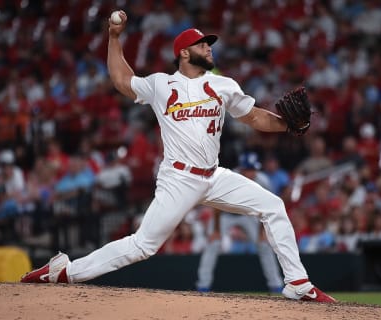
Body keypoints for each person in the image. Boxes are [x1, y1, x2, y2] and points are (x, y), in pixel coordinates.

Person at [21, 11, 336, 303]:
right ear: (184, 52)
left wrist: (286, 125)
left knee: (274, 206)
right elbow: (121, 81)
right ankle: (65, 271)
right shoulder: (161, 84)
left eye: (209, 44)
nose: (209, 48)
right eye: (202, 44)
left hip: (213, 176)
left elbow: (254, 117)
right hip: (179, 178)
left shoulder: (222, 85)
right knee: (143, 246)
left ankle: (297, 283)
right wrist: (115, 38)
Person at [196, 152, 284, 293]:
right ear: (241, 169)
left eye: (253, 169)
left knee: (264, 244)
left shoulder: (263, 181)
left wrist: (262, 232)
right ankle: (203, 286)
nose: (251, 173)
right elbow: (216, 203)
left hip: (247, 215)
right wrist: (217, 231)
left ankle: (276, 285)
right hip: (224, 214)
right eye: (248, 169)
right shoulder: (229, 178)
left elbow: (266, 207)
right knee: (213, 243)